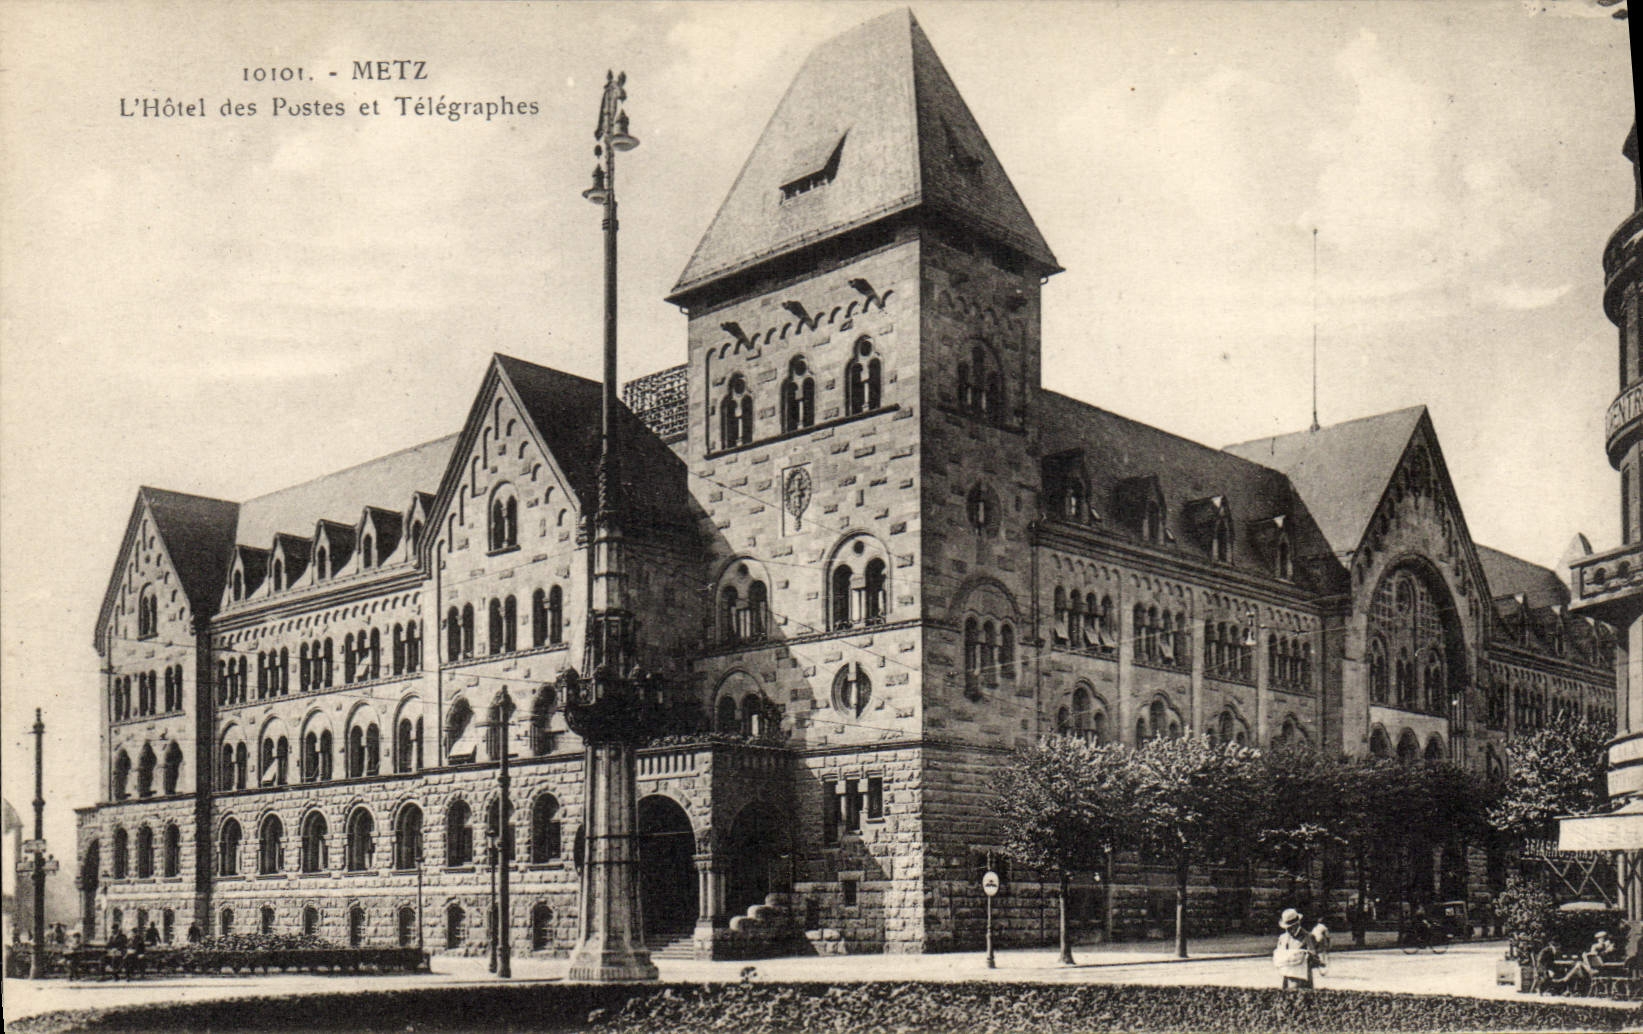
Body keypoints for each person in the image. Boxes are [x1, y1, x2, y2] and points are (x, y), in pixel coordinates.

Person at [1274, 907, 1318, 989]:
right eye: (1286, 928)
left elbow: (1315, 959)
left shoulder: (1307, 937)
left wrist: (1307, 957)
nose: (1288, 930)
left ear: (1297, 924)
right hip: (1285, 978)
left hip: (1301, 980)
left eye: (1290, 927)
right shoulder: (1282, 938)